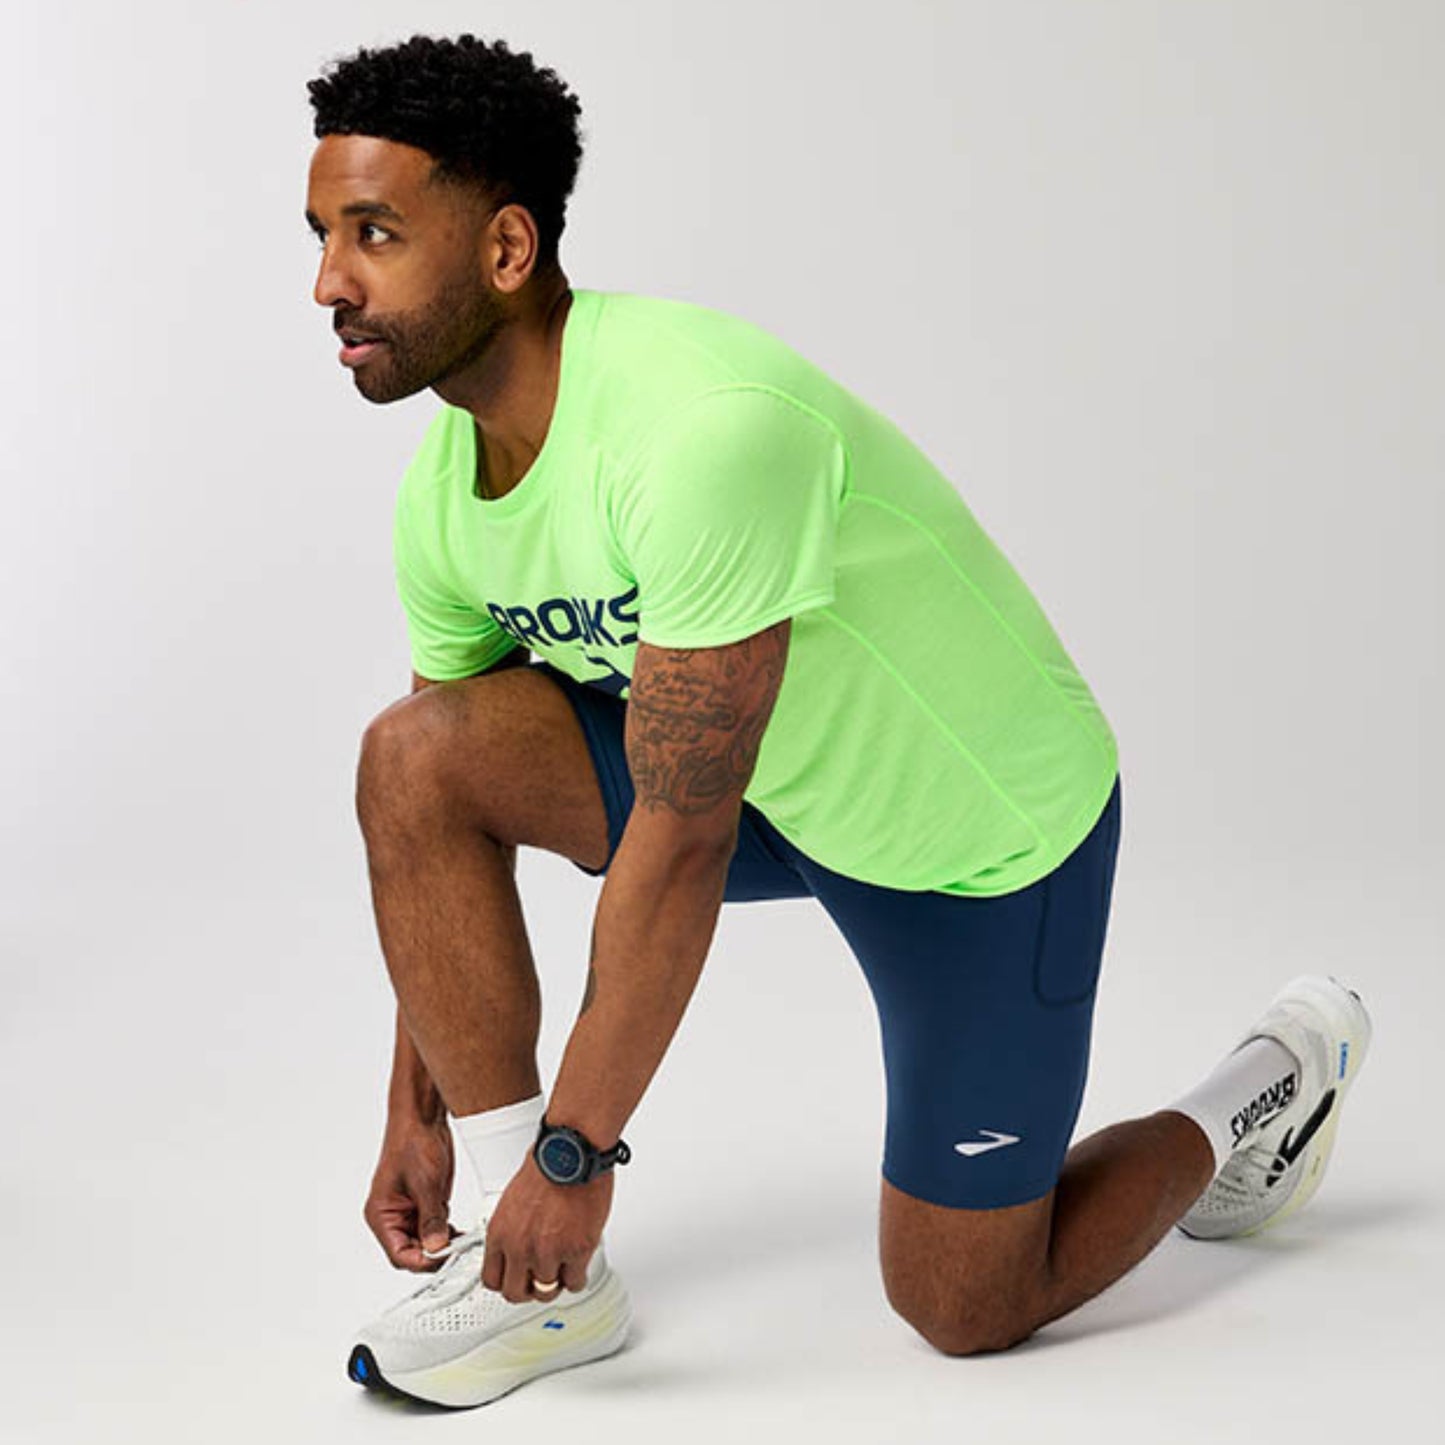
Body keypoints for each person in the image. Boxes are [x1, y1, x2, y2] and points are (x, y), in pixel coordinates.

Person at [303, 34, 1372, 1410]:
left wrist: (577, 1156)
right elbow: (430, 814)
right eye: (324, 235)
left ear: (507, 248)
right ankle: (537, 1294)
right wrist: (420, 1108)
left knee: (964, 1304)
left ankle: (1267, 1085)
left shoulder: (698, 430)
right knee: (417, 757)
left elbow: (680, 839)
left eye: (374, 234)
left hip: (968, 834)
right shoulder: (443, 499)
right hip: (770, 791)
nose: (329, 282)